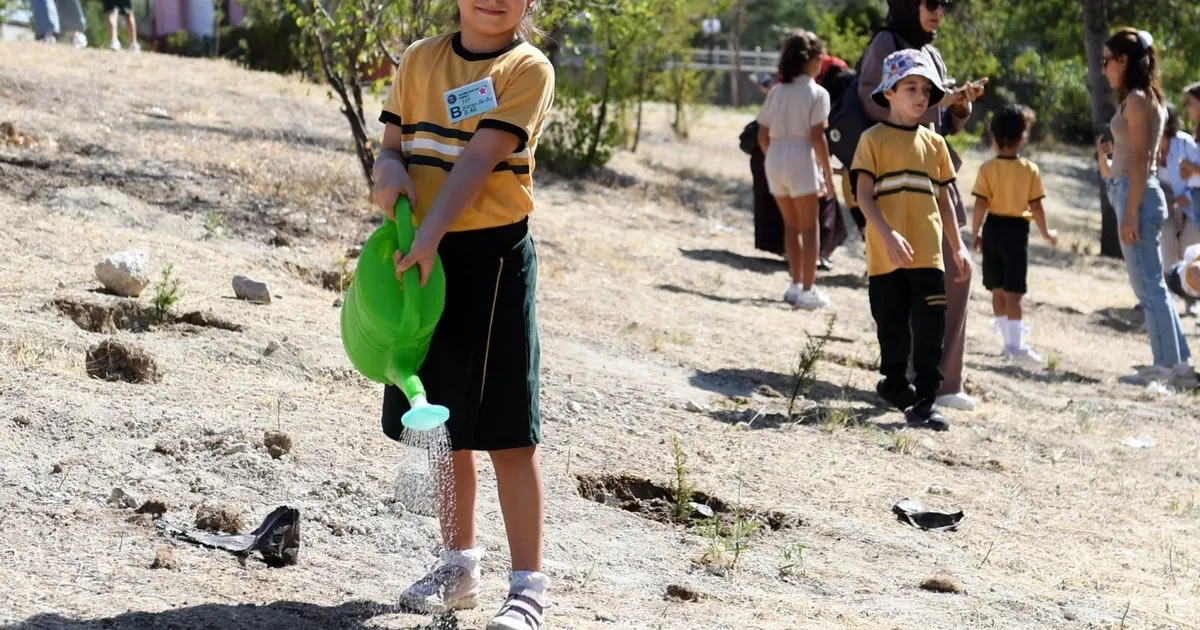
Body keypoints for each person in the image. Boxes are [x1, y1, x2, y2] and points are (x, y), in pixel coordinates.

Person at [372, 1, 554, 628]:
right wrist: (388, 170)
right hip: (424, 256)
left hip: (491, 260)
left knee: (508, 431)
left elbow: (478, 162)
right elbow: (392, 146)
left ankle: (528, 589)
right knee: (441, 422)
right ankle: (460, 566)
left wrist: (429, 236)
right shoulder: (420, 60)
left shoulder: (526, 69)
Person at [857, 0, 987, 411]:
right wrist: (939, 103)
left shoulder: (932, 52)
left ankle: (943, 384)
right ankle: (905, 381)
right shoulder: (885, 43)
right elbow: (873, 104)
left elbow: (937, 122)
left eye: (944, 5)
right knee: (897, 302)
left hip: (933, 180)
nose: (938, 12)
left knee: (950, 285)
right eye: (930, 3)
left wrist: (959, 106)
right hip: (893, 191)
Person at [1097, 28, 1193, 388]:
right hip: (1135, 192)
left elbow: (1140, 158)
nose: (1104, 68)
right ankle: (1178, 363)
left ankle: (1165, 366)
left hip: (1137, 195)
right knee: (1153, 284)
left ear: (1123, 61)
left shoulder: (1138, 99)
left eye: (1107, 60)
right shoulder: (1145, 98)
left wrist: (1131, 211)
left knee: (1148, 286)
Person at [970, 104, 1058, 364]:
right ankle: (1015, 345)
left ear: (994, 136)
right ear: (1022, 137)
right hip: (1016, 233)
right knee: (1014, 292)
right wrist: (1046, 233)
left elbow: (980, 204)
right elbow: (1036, 206)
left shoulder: (987, 169)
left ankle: (1005, 338)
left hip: (993, 229)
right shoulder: (1029, 170)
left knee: (997, 289)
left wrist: (975, 233)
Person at [756, 30, 837, 310]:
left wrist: (775, 158)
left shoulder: (777, 91)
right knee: (810, 227)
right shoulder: (817, 93)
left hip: (775, 157)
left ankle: (794, 285)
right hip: (801, 156)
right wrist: (827, 173)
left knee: (791, 226)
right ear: (812, 60)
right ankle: (808, 289)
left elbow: (762, 134)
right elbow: (818, 137)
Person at [1158, 102, 1199, 316]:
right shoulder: (1147, 145)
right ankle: (1165, 295)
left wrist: (1191, 170)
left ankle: (1191, 300)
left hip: (1191, 206)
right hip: (1165, 206)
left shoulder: (1184, 143)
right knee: (1164, 240)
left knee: (1188, 247)